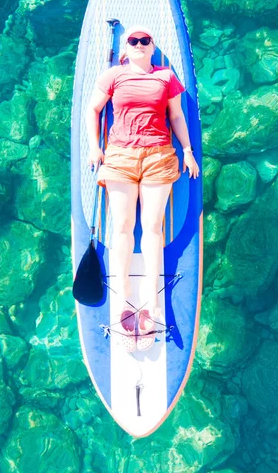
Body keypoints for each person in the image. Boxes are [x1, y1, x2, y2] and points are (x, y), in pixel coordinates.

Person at [86, 26, 199, 352]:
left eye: (144, 40)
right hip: (120, 156)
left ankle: (152, 302)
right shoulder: (113, 75)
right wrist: (95, 148)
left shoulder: (165, 78)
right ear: (125, 48)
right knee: (121, 227)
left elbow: (177, 116)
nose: (138, 44)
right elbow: (93, 110)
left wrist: (187, 150)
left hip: (158, 158)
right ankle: (121, 301)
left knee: (151, 228)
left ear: (152, 47)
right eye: (132, 41)